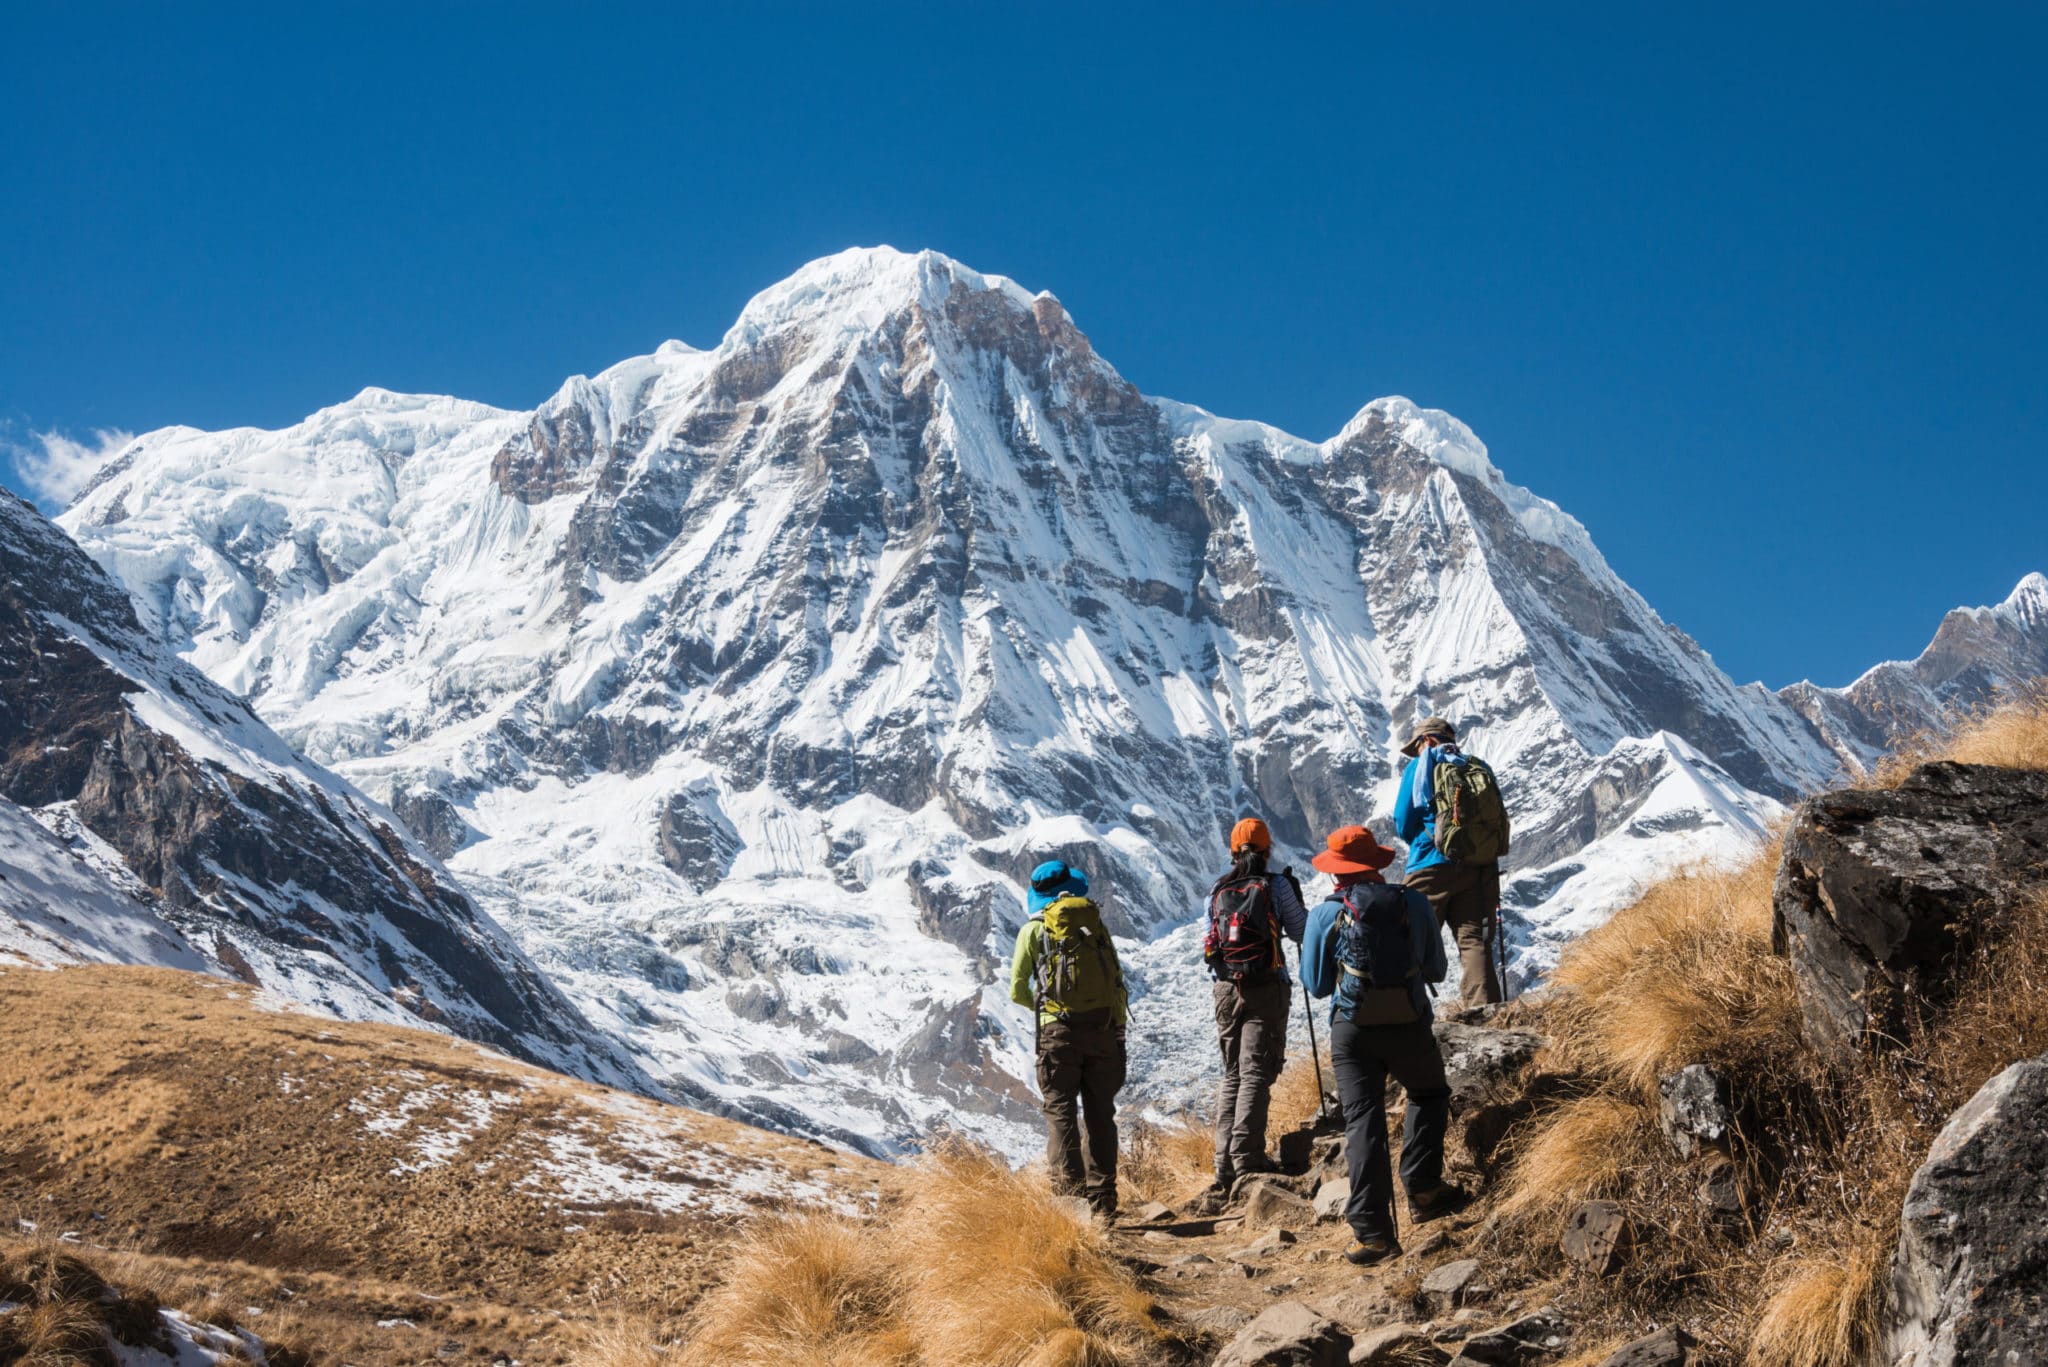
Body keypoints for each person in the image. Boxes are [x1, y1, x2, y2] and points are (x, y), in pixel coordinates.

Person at [1300, 824, 1466, 1266]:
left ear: (1337, 874)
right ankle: (1425, 1188)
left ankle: (1373, 1235)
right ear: (1377, 865)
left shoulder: (1324, 914)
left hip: (1352, 1030)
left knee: (1362, 1121)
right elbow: (1436, 969)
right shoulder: (1413, 901)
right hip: (1409, 1021)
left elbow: (1316, 985)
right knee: (1429, 1093)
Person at [1008, 859, 1128, 1218]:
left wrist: (1046, 1009)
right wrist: (1117, 1029)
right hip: (1103, 1029)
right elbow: (1117, 982)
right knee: (1100, 1115)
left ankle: (1069, 1201)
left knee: (1061, 1112)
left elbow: (1016, 989)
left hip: (1057, 1034)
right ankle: (1104, 1199)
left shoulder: (1033, 932)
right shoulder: (1094, 925)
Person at [1202, 817, 1308, 1193]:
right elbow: (1300, 931)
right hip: (1266, 987)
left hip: (1227, 990)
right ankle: (1247, 1158)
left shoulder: (1218, 890)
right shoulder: (1276, 885)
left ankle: (1223, 1164)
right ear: (1268, 851)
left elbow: (1212, 941)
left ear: (1233, 851)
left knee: (1233, 1072)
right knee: (1255, 1073)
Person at [1392, 717, 1506, 1007]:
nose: (1417, 751)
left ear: (1426, 740)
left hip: (1429, 866)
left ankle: (1408, 1019)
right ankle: (1485, 1015)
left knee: (1409, 944)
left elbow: (1403, 822)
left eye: (1417, 745)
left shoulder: (1420, 767)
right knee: (1474, 942)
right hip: (1478, 868)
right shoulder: (1476, 766)